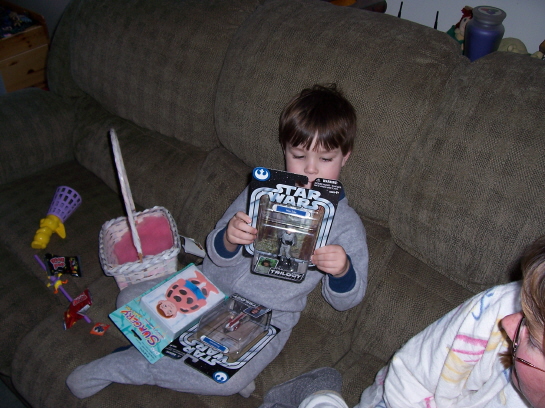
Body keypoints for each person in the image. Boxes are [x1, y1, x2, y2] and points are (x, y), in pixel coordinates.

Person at [66, 84, 369, 399]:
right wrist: (229, 238)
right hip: (207, 288)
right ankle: (191, 357)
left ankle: (130, 364)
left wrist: (342, 270)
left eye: (326, 158)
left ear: (345, 156)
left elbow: (348, 299)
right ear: (284, 149)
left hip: (267, 317)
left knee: (226, 382)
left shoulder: (346, 225)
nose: (310, 169)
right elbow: (215, 251)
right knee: (128, 300)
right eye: (299, 155)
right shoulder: (259, 193)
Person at [260, 235, 545, 408]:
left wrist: (343, 269)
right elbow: (410, 374)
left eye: (532, 337)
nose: (507, 324)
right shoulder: (501, 307)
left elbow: (344, 297)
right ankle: (319, 394)